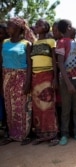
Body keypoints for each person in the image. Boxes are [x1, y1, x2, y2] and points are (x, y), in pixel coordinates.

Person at [0, 17, 36, 146]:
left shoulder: (26, 43)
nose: (7, 28)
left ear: (18, 28)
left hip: (21, 76)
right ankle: (12, 135)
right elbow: (1, 62)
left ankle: (24, 135)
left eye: (10, 26)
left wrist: (27, 83)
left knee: (22, 107)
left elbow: (30, 64)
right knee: (9, 107)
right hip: (6, 77)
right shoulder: (4, 42)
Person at [55, 19, 76, 145]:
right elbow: (60, 63)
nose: (74, 28)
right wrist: (67, 83)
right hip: (66, 81)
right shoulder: (61, 42)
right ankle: (64, 134)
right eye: (72, 26)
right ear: (68, 28)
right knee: (66, 109)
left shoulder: (75, 43)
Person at [30, 19, 59, 146]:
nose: (36, 26)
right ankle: (41, 135)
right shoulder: (34, 43)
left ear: (46, 27)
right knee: (37, 106)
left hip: (47, 76)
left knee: (48, 105)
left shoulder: (51, 41)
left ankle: (53, 135)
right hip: (35, 77)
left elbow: (54, 60)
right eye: (36, 24)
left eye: (39, 24)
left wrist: (55, 78)